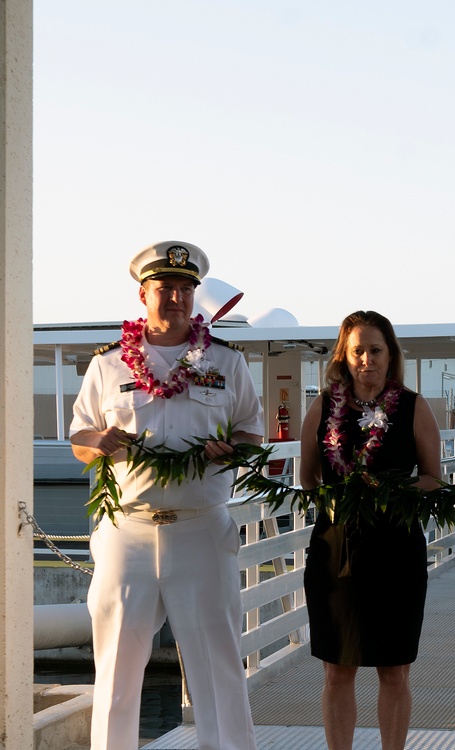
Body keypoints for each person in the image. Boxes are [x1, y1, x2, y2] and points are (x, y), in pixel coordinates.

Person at [70, 241, 262, 750]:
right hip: (126, 531)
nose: (175, 297)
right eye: (164, 288)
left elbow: (251, 433)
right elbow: (80, 438)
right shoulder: (109, 366)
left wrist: (232, 450)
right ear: (143, 294)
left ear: (194, 295)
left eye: (185, 288)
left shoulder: (226, 361)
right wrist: (98, 443)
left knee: (219, 663)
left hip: (202, 527)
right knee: (114, 668)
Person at [300, 310, 442, 750]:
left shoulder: (414, 407)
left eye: (376, 350)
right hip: (335, 549)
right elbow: (308, 478)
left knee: (394, 668)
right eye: (357, 350)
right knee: (336, 668)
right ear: (344, 356)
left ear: (390, 354)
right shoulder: (322, 407)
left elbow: (433, 478)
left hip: (396, 549)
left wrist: (386, 492)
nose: (367, 360)